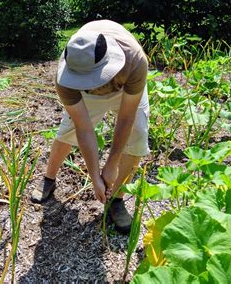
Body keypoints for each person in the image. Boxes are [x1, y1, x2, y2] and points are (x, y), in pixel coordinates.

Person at [31, 19, 149, 234]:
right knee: (68, 132)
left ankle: (116, 199)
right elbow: (83, 128)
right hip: (83, 97)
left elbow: (126, 118)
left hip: (124, 89)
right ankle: (49, 178)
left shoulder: (135, 61)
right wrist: (94, 176)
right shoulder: (64, 77)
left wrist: (111, 163)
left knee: (138, 134)